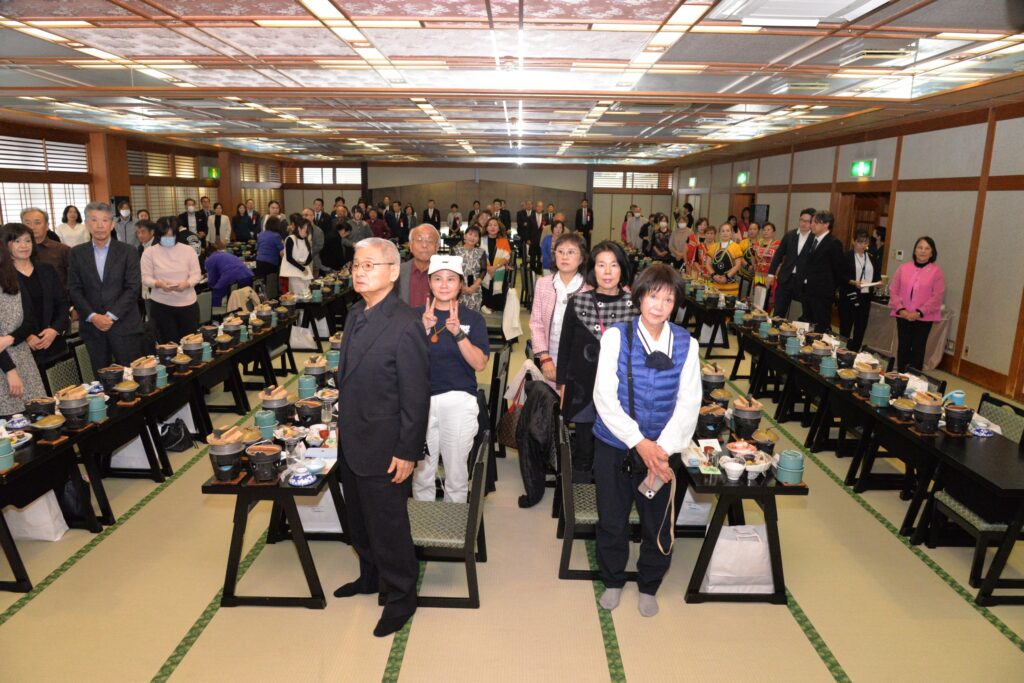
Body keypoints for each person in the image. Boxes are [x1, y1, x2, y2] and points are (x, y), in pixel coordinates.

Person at [332, 237, 429, 638]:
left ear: (392, 272)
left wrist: (407, 451)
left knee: (389, 527)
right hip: (353, 437)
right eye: (356, 265)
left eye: (369, 265)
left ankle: (402, 596)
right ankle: (370, 576)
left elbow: (417, 396)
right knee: (359, 521)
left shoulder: (406, 324)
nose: (359, 271)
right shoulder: (355, 313)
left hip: (387, 445)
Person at [592, 263, 700, 618]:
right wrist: (640, 442)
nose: (659, 305)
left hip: (663, 450)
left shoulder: (687, 344)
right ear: (639, 297)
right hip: (615, 445)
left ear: (675, 305)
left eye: (668, 299)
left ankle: (649, 584)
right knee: (613, 518)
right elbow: (604, 397)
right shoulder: (616, 337)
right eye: (653, 296)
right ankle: (612, 580)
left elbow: (689, 403)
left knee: (658, 522)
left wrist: (661, 449)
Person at [413, 255, 489, 503]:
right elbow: (404, 361)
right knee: (421, 473)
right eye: (438, 279)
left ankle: (454, 524)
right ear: (429, 283)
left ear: (460, 284)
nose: (444, 285)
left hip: (458, 399)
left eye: (451, 279)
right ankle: (423, 522)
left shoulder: (473, 319)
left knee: (456, 474)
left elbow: (479, 364)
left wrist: (458, 333)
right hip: (420, 400)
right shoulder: (415, 316)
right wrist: (422, 330)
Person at [557, 241, 636, 474]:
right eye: (601, 265)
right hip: (583, 390)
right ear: (593, 269)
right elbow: (565, 347)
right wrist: (562, 384)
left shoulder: (634, 306)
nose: (607, 271)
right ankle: (579, 492)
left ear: (622, 269)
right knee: (583, 451)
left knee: (613, 453)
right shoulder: (578, 302)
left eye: (614, 265)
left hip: (620, 393)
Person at [68, 202, 144, 369]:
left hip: (125, 325)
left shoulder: (128, 251)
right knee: (101, 376)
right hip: (92, 328)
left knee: (132, 375)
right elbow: (74, 288)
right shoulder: (76, 253)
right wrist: (93, 316)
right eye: (94, 220)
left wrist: (110, 316)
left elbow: (133, 288)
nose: (100, 225)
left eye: (104, 220)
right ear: (87, 224)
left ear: (112, 224)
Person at [4, 223, 68, 369]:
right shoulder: (4, 276)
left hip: (53, 342)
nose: (24, 246)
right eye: (17, 241)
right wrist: (26, 336)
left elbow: (63, 303)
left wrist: (54, 330)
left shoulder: (46, 269)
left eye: (28, 240)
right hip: (20, 348)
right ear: (6, 244)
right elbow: (5, 317)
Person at [531, 232, 588, 389]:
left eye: (571, 252)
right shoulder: (543, 284)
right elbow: (536, 323)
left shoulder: (588, 288)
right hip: (550, 358)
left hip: (580, 362)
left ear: (581, 258)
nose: (564, 257)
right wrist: (544, 357)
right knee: (551, 399)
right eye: (560, 251)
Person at [0, 234, 46, 416]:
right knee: (12, 423)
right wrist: (10, 371)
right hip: (4, 365)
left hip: (23, 356)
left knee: (40, 415)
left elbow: (29, 320)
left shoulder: (12, 280)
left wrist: (10, 338)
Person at [889, 236, 944, 373]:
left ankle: (914, 380)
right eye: (920, 247)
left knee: (918, 349)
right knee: (903, 347)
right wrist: (901, 309)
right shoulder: (903, 268)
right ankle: (900, 376)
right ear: (915, 250)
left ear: (932, 253)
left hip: (924, 318)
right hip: (903, 315)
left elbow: (937, 296)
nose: (923, 251)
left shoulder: (936, 272)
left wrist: (919, 312)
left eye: (927, 248)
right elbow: (893, 290)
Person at [141, 218, 201, 344]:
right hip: (161, 306)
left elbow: (196, 275)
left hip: (187, 304)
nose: (168, 239)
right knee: (168, 345)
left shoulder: (188, 250)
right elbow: (145, 277)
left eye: (171, 236)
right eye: (165, 236)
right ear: (158, 235)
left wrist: (187, 284)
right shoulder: (149, 252)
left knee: (190, 343)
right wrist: (158, 284)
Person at [766, 208, 816, 318]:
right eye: (801, 220)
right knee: (778, 312)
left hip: (803, 282)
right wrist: (771, 274)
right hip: (785, 279)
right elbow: (778, 255)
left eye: (807, 221)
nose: (803, 223)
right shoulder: (790, 235)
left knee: (802, 315)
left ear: (812, 222)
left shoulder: (815, 238)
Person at [800, 211, 844, 333]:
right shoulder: (813, 240)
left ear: (826, 224)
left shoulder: (834, 243)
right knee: (807, 324)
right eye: (812, 222)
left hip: (822, 293)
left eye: (816, 222)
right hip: (808, 290)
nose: (812, 225)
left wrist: (829, 290)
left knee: (821, 326)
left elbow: (838, 270)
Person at [838, 229, 879, 351]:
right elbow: (840, 275)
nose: (863, 245)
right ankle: (842, 352)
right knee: (845, 328)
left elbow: (876, 275)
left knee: (860, 328)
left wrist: (878, 283)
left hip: (865, 297)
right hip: (849, 296)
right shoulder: (846, 256)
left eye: (865, 242)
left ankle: (855, 352)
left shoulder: (871, 257)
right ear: (853, 241)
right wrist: (852, 282)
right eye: (860, 242)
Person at [21, 207, 70, 288]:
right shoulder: (16, 251)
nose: (32, 227)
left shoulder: (62, 250)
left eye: (37, 223)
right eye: (27, 223)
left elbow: (73, 279)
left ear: (47, 226)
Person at [398, 224, 438, 308]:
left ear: (437, 247)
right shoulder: (398, 272)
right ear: (411, 246)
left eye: (430, 240)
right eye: (419, 240)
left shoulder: (446, 274)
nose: (424, 245)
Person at [205, 242, 254, 307]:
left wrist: (210, 288)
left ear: (206, 256)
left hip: (231, 276)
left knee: (216, 293)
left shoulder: (210, 259)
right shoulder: (226, 254)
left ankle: (215, 311)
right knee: (246, 299)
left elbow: (212, 279)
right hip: (247, 274)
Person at [480, 217, 512, 314]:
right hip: (485, 269)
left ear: (499, 228)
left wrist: (495, 267)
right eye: (490, 225)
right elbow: (478, 256)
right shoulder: (481, 240)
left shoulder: (504, 241)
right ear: (486, 228)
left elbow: (507, 256)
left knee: (499, 286)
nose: (492, 227)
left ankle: (497, 308)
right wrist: (488, 268)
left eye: (495, 225)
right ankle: (485, 306)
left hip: (499, 269)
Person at [704, 222, 744, 296]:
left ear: (731, 233)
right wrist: (714, 275)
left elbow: (738, 265)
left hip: (730, 286)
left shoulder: (736, 247)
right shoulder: (714, 246)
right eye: (723, 231)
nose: (725, 233)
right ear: (719, 233)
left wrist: (726, 277)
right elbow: (707, 264)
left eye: (728, 231)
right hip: (714, 285)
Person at [454, 225, 486, 311]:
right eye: (470, 234)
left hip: (475, 289)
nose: (472, 237)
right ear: (465, 236)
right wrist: (462, 286)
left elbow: (483, 271)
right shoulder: (456, 251)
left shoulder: (481, 252)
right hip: (458, 288)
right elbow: (452, 270)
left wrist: (474, 286)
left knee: (473, 316)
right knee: (457, 314)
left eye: (476, 235)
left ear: (478, 239)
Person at [280, 216, 314, 296]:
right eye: (306, 230)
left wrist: (304, 264)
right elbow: (289, 258)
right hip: (294, 271)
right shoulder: (290, 239)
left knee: (308, 294)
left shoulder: (306, 240)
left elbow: (310, 256)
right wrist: (302, 268)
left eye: (308, 231)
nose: (307, 233)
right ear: (299, 228)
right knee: (298, 295)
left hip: (305, 271)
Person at [738, 222, 760, 298]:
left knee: (754, 298)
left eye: (754, 229)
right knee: (742, 297)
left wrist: (756, 267)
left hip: (757, 276)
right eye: (750, 229)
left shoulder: (761, 243)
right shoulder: (742, 242)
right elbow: (739, 257)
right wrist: (748, 266)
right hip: (743, 275)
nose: (752, 231)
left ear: (758, 231)